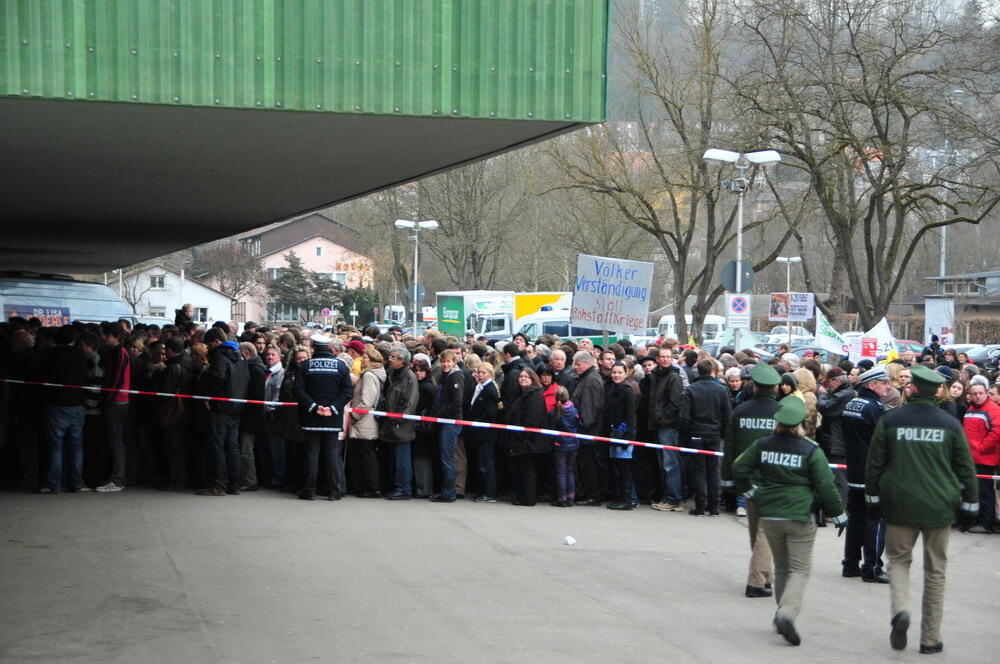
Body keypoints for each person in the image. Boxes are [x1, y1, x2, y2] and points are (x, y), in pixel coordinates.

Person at [865, 364, 979, 654]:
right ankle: (930, 637)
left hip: (899, 503)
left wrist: (872, 496)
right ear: (938, 391)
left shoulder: (891, 419)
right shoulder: (949, 423)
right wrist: (971, 502)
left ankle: (901, 609)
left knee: (899, 561)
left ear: (911, 387)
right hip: (939, 506)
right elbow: (965, 466)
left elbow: (875, 461)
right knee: (936, 571)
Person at [732, 397, 847, 647]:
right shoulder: (811, 449)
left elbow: (738, 468)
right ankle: (787, 613)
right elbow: (826, 486)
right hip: (799, 514)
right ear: (801, 424)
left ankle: (780, 611)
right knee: (800, 569)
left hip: (769, 514)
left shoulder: (762, 444)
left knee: (782, 566)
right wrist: (839, 514)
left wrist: (751, 492)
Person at [722, 363, 782, 598]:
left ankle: (765, 576)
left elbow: (729, 447)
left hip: (747, 480)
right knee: (765, 533)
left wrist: (727, 479)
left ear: (754, 385)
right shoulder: (781, 412)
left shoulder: (741, 410)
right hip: (772, 479)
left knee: (757, 530)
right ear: (775, 387)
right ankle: (757, 581)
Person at [840, 366, 892, 584]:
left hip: (853, 470)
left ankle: (850, 563)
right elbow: (882, 444)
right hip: (871, 473)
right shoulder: (875, 408)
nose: (888, 387)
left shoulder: (851, 404)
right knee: (876, 520)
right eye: (884, 383)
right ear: (872, 385)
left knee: (856, 518)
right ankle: (872, 567)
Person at [293, 333, 354, 501]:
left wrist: (314, 407)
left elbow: (298, 391)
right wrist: (333, 408)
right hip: (332, 419)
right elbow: (348, 392)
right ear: (329, 348)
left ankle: (309, 490)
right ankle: (335, 491)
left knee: (311, 455)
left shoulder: (305, 366)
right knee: (332, 455)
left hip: (311, 418)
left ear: (313, 347)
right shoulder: (341, 366)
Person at [198, 327, 250, 496]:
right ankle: (234, 483)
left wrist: (210, 398)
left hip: (221, 407)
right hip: (237, 407)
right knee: (232, 446)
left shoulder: (219, 356)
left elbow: (217, 379)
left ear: (216, 342)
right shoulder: (240, 357)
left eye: (209, 344)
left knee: (217, 445)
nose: (207, 348)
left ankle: (219, 484)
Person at [40, 326, 89, 494]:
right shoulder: (80, 355)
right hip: (76, 405)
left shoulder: (49, 355)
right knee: (76, 447)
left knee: (56, 447)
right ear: (74, 340)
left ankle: (54, 483)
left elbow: (43, 376)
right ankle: (76, 482)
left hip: (55, 405)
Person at [679, 359, 731, 516]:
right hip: (714, 435)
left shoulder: (691, 390)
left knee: (699, 470)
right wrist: (722, 433)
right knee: (713, 470)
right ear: (712, 371)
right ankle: (713, 506)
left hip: (696, 434)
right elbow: (727, 415)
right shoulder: (721, 390)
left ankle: (700, 505)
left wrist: (684, 437)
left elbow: (684, 417)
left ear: (698, 371)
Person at [502, 368, 548, 506]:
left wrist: (521, 436)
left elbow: (532, 420)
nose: (522, 379)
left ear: (533, 379)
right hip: (517, 439)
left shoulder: (535, 396)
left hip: (528, 441)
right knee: (519, 469)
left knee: (527, 470)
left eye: (526, 377)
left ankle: (528, 498)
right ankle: (520, 495)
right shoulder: (520, 394)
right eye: (521, 376)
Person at [379, 347, 419, 500]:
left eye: (393, 357)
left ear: (402, 360)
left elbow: (409, 403)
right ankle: (395, 486)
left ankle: (404, 488)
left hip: (401, 425)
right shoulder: (392, 374)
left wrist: (397, 419)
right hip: (390, 423)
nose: (390, 359)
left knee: (402, 460)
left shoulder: (409, 378)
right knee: (393, 459)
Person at [96, 323, 132, 493]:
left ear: (116, 336)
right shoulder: (115, 353)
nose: (104, 338)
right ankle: (116, 477)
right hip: (116, 400)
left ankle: (117, 479)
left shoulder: (120, 353)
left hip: (117, 402)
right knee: (114, 441)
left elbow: (117, 379)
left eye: (107, 335)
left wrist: (108, 398)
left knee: (116, 441)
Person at [961, 382, 999, 534]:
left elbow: (997, 433)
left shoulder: (993, 410)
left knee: (985, 493)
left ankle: (985, 523)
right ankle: (977, 521)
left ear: (986, 393)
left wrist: (981, 448)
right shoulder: (971, 409)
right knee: (975, 492)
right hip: (972, 457)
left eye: (980, 393)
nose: (978, 396)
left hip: (984, 459)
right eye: (974, 393)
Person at [649, 348, 685, 511]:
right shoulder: (656, 376)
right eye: (662, 357)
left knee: (670, 463)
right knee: (663, 463)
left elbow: (674, 403)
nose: (665, 359)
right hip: (658, 424)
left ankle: (674, 498)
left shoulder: (673, 377)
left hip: (668, 426)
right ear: (657, 359)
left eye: (668, 357)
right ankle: (667, 496)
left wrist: (664, 420)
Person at [348, 348, 386, 498]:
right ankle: (365, 485)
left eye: (365, 357)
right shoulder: (373, 374)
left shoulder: (369, 375)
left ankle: (372, 486)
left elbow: (367, 401)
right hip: (365, 420)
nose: (362, 360)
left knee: (366, 454)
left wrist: (355, 415)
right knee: (364, 454)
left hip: (364, 421)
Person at [571, 350, 605, 505]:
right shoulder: (587, 378)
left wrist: (583, 426)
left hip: (588, 431)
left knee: (588, 464)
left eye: (578, 364)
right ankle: (589, 493)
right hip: (587, 430)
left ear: (587, 364)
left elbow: (589, 408)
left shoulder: (590, 380)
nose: (575, 367)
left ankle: (593, 495)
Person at [431, 349, 465, 502]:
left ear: (454, 362)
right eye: (443, 362)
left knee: (447, 457)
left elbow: (456, 403)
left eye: (448, 362)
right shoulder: (446, 376)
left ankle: (449, 492)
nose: (445, 364)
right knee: (445, 456)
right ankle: (446, 489)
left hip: (451, 421)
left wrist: (439, 414)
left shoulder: (455, 377)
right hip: (446, 420)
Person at [604, 362, 637, 510]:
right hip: (614, 434)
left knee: (624, 469)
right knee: (617, 468)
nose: (616, 375)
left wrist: (627, 438)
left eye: (619, 373)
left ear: (626, 374)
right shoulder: (612, 388)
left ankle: (627, 499)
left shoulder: (627, 391)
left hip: (624, 435)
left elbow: (631, 416)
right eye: (614, 372)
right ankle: (619, 497)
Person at [466, 361, 501, 503]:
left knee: (486, 463)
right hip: (478, 433)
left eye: (483, 373)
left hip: (486, 433)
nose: (480, 375)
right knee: (482, 463)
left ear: (490, 374)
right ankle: (482, 490)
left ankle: (489, 492)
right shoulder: (479, 387)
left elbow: (491, 413)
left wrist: (476, 420)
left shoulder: (490, 389)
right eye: (479, 372)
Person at [238, 342, 267, 492]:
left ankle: (250, 479)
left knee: (246, 449)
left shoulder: (254, 370)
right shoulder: (255, 367)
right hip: (251, 416)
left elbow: (255, 397)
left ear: (246, 353)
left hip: (251, 418)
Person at [411, 356, 437, 499]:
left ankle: (423, 488)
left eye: (421, 371)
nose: (418, 373)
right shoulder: (425, 385)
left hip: (424, 427)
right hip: (423, 426)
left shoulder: (426, 387)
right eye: (416, 371)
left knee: (422, 459)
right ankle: (422, 487)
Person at [550, 386, 580, 507]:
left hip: (560, 444)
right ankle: (570, 497)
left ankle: (562, 498)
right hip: (573, 443)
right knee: (570, 470)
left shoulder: (554, 412)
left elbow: (552, 428)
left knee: (561, 471)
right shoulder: (574, 410)